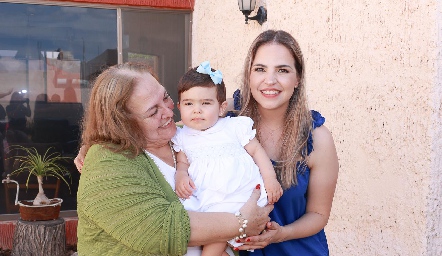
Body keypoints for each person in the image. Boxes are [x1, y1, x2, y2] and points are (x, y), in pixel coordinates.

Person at [75, 62, 273, 256]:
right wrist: (242, 222)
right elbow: (159, 230)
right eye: (153, 111)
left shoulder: (185, 135)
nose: (169, 111)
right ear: (122, 124)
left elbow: (217, 105)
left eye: (166, 97)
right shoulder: (106, 161)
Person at [229, 30, 339, 255]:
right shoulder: (225, 123)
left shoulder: (317, 138)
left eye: (282, 70)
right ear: (249, 75)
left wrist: (281, 234)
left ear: (297, 78)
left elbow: (318, 215)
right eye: (260, 69)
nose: (270, 80)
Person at [172, 61, 283, 256]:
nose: (197, 110)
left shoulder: (233, 127)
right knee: (215, 234)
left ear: (222, 107)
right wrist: (181, 176)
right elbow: (182, 162)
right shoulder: (182, 136)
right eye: (189, 104)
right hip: (211, 198)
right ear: (179, 106)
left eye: (206, 103)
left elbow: (257, 152)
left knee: (217, 242)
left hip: (239, 193)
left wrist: (270, 179)